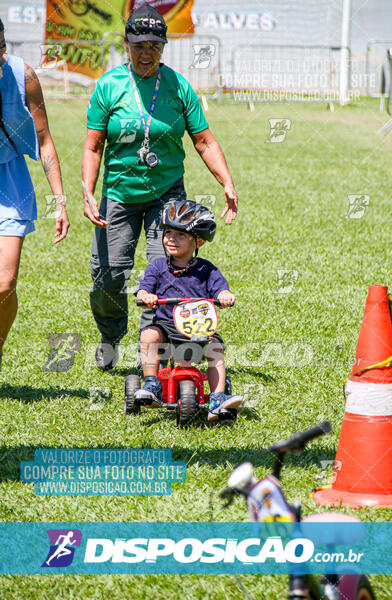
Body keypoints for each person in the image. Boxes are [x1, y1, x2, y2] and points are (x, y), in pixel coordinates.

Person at [81, 4, 238, 371]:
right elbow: (93, 146)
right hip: (118, 195)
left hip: (167, 197)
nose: (146, 52)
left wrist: (226, 182)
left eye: (154, 44)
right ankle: (109, 334)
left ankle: (155, 353)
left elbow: (204, 141)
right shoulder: (109, 85)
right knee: (108, 276)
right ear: (126, 43)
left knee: (165, 272)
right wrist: (89, 191)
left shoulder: (178, 86)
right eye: (139, 45)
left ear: (164, 46)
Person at [135, 200, 244, 422]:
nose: (172, 239)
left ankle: (218, 397)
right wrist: (146, 297)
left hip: (199, 325)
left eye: (181, 235)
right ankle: (151, 383)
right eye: (168, 232)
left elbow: (220, 288)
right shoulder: (157, 266)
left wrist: (224, 296)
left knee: (215, 348)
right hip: (166, 325)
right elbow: (143, 290)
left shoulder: (206, 269)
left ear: (199, 241)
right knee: (148, 334)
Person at [0, 18, 69, 369]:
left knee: (4, 283)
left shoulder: (22, 75)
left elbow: (44, 140)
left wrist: (60, 201)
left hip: (10, 183)